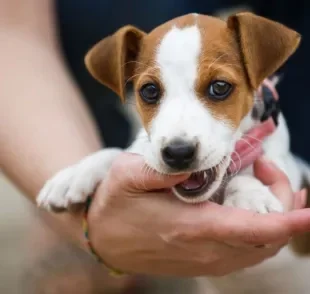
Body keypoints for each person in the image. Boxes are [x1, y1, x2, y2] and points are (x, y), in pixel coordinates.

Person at [1, 0, 310, 293]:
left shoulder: (270, 136)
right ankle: (75, 239)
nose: (178, 140)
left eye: (218, 88)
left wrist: (243, 185)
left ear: (259, 75)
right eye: (151, 92)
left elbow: (283, 189)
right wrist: (100, 169)